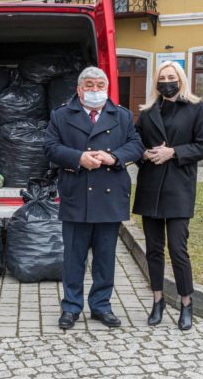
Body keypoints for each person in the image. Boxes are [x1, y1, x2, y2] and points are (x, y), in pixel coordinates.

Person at [44, 66, 144, 329]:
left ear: (107, 88)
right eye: (89, 85)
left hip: (110, 196)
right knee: (73, 257)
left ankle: (101, 306)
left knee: (105, 257)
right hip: (76, 193)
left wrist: (115, 157)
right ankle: (71, 307)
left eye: (100, 85)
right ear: (79, 89)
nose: (95, 90)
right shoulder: (61, 115)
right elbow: (50, 147)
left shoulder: (122, 115)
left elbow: (136, 145)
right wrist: (78, 158)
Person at [133, 61, 203, 330]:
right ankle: (158, 300)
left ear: (180, 80)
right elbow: (135, 143)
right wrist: (144, 154)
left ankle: (186, 302)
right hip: (151, 187)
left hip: (179, 187)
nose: (167, 81)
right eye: (162, 77)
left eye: (171, 76)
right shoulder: (147, 112)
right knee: (153, 249)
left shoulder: (195, 108)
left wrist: (174, 152)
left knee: (178, 249)